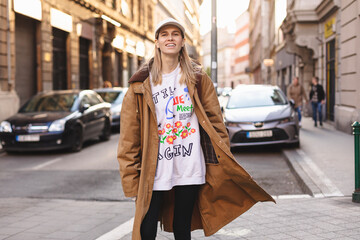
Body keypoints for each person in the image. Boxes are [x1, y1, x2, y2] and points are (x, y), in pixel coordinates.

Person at [117, 18, 274, 240]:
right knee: (147, 226)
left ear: (182, 42)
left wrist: (221, 159)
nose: (170, 38)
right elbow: (128, 138)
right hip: (154, 168)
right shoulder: (141, 85)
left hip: (189, 165)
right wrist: (130, 179)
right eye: (164, 34)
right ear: (157, 42)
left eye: (175, 34)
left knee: (183, 226)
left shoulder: (198, 79)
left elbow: (216, 123)